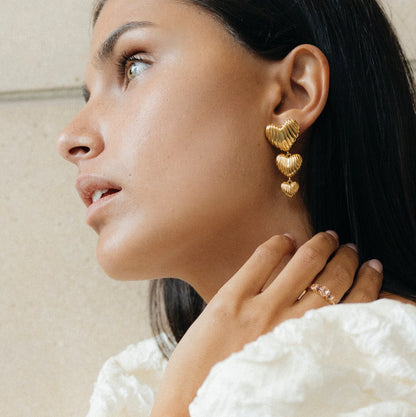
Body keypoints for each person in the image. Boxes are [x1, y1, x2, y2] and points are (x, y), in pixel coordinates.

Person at [57, 0, 416, 415]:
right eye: (88, 96)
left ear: (292, 94)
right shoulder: (141, 385)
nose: (70, 138)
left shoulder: (392, 376)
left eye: (134, 67)